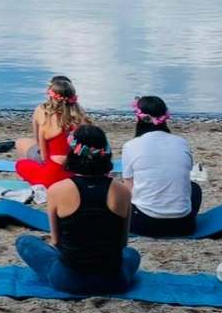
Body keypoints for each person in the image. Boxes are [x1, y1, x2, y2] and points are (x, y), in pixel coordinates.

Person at [15, 123, 140, 294]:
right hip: (114, 281)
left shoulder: (57, 190)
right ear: (105, 153)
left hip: (68, 280)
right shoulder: (122, 191)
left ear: (72, 153)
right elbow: (123, 243)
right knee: (132, 253)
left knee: (25, 241)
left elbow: (56, 241)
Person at [121, 96, 201, 237]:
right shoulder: (181, 142)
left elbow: (129, 188)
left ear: (139, 118)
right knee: (194, 188)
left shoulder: (130, 146)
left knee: (121, 191)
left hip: (144, 225)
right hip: (183, 225)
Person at [14, 76, 88, 190]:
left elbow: (44, 157)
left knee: (20, 164)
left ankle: (23, 179)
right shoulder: (82, 120)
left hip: (52, 177)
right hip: (75, 173)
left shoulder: (46, 122)